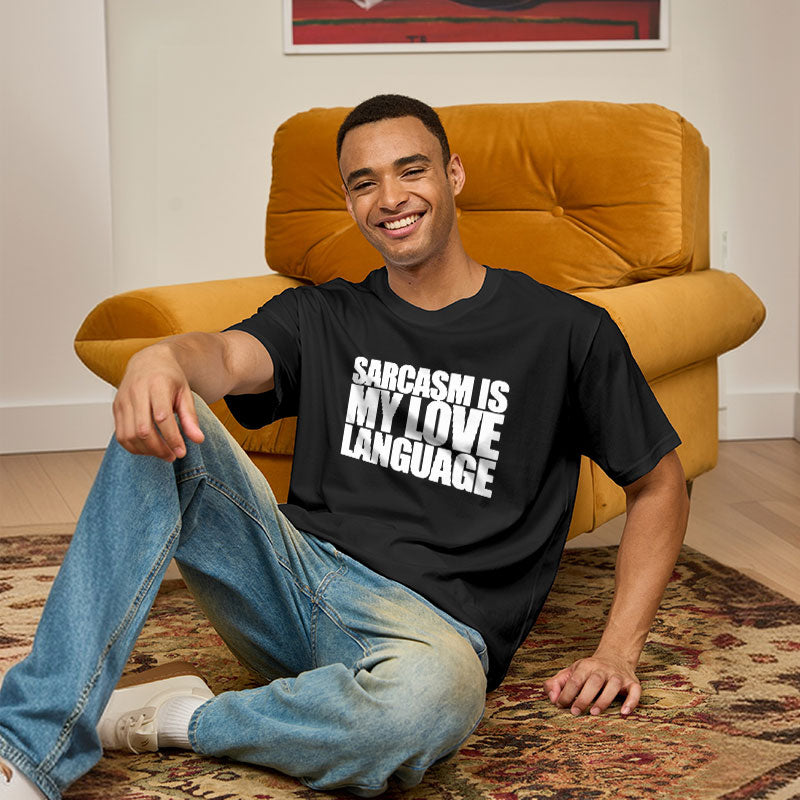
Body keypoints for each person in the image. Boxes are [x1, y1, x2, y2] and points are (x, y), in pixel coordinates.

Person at [0, 94, 690, 800]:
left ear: (453, 175)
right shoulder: (323, 313)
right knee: (163, 411)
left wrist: (618, 650)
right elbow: (227, 357)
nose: (390, 198)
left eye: (411, 170)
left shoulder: (567, 331)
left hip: (430, 633)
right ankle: (27, 747)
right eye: (365, 182)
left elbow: (659, 483)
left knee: (433, 702)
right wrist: (163, 358)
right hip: (292, 580)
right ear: (350, 202)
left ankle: (182, 717)